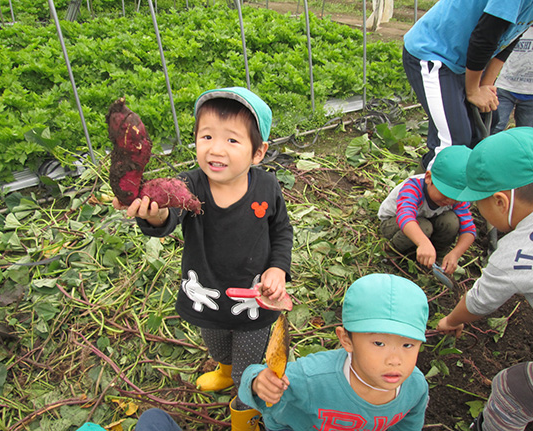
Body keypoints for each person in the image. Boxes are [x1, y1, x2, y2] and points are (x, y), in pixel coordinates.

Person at [113, 87, 294, 430]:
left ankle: (245, 412)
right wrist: (153, 215)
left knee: (249, 366)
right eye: (207, 136)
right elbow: (168, 217)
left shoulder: (268, 188)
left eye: (232, 141)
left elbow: (282, 232)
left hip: (255, 302)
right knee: (217, 344)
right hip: (206, 297)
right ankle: (224, 370)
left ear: (258, 152)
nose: (215, 149)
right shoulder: (189, 185)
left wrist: (277, 268)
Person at [238, 273, 430, 431]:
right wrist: (258, 383)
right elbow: (257, 384)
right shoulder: (312, 378)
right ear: (347, 340)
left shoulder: (416, 387)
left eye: (408, 345)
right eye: (379, 343)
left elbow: (409, 424)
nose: (395, 360)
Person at [436, 127, 533, 430]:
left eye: (480, 203)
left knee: (510, 388)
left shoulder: (517, 251)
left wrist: (451, 321)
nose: (478, 210)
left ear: (501, 201)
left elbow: (479, 301)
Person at [402, 0, 533, 170]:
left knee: (482, 129)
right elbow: (485, 36)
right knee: (453, 143)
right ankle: (419, 194)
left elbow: (511, 37)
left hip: (463, 61)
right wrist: (473, 91)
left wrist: (485, 85)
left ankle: (453, 190)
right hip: (434, 54)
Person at [377, 145, 476, 274]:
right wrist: (423, 242)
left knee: (451, 221)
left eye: (456, 197)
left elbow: (469, 229)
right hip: (393, 222)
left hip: (427, 219)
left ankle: (437, 258)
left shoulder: (456, 199)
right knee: (424, 227)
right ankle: (392, 254)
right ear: (429, 178)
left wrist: (455, 254)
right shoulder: (413, 187)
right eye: (445, 194)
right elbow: (405, 217)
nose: (450, 201)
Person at [491, 27, 533, 135]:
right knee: (494, 128)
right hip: (504, 87)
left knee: (526, 134)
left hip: (530, 93)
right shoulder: (517, 26)